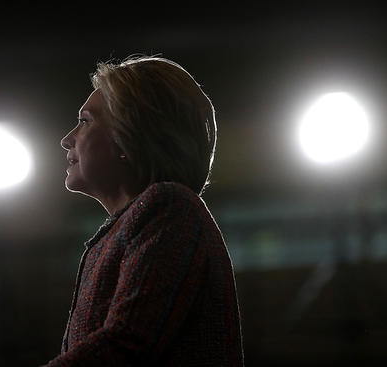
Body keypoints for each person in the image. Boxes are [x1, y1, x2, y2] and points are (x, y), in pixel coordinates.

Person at [43, 55, 244, 366]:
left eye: (85, 121)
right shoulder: (136, 221)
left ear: (129, 135)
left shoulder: (170, 207)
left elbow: (127, 344)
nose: (66, 139)